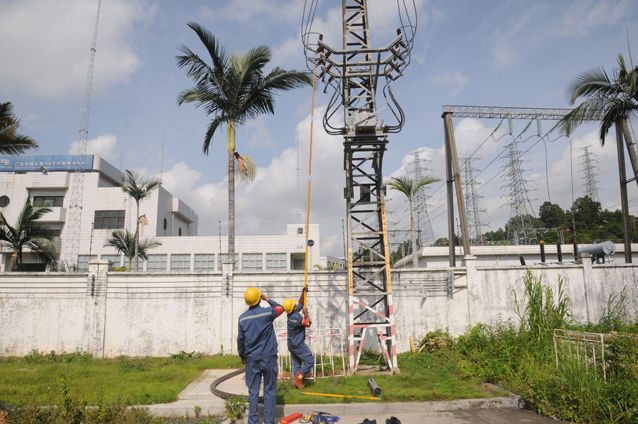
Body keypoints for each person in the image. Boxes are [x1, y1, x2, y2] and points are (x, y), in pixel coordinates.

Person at [237, 287, 284, 424]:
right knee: (269, 390)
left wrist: (242, 356)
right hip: (269, 357)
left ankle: (253, 421)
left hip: (252, 359)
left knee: (253, 391)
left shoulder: (242, 318)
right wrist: (268, 299)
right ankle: (269, 421)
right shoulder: (268, 313)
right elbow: (281, 308)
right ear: (259, 299)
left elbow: (240, 340)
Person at [282, 286, 314, 390]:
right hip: (298, 344)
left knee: (297, 363)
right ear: (293, 308)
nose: (296, 304)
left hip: (292, 344)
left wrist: (303, 293)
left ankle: (296, 384)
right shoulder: (295, 318)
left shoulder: (291, 313)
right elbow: (308, 323)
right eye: (294, 304)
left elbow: (300, 304)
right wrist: (306, 314)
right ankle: (298, 380)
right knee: (309, 361)